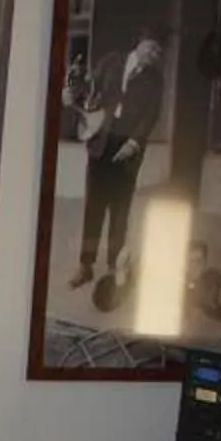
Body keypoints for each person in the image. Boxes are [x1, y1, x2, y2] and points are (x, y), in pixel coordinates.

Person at [66, 31, 166, 294]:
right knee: (94, 207)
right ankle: (85, 266)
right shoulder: (111, 61)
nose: (154, 55)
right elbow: (91, 89)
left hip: (128, 150)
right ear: (140, 44)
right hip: (101, 141)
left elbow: (151, 115)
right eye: (151, 48)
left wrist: (133, 143)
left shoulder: (155, 79)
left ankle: (113, 266)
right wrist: (74, 94)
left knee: (120, 210)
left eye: (158, 52)